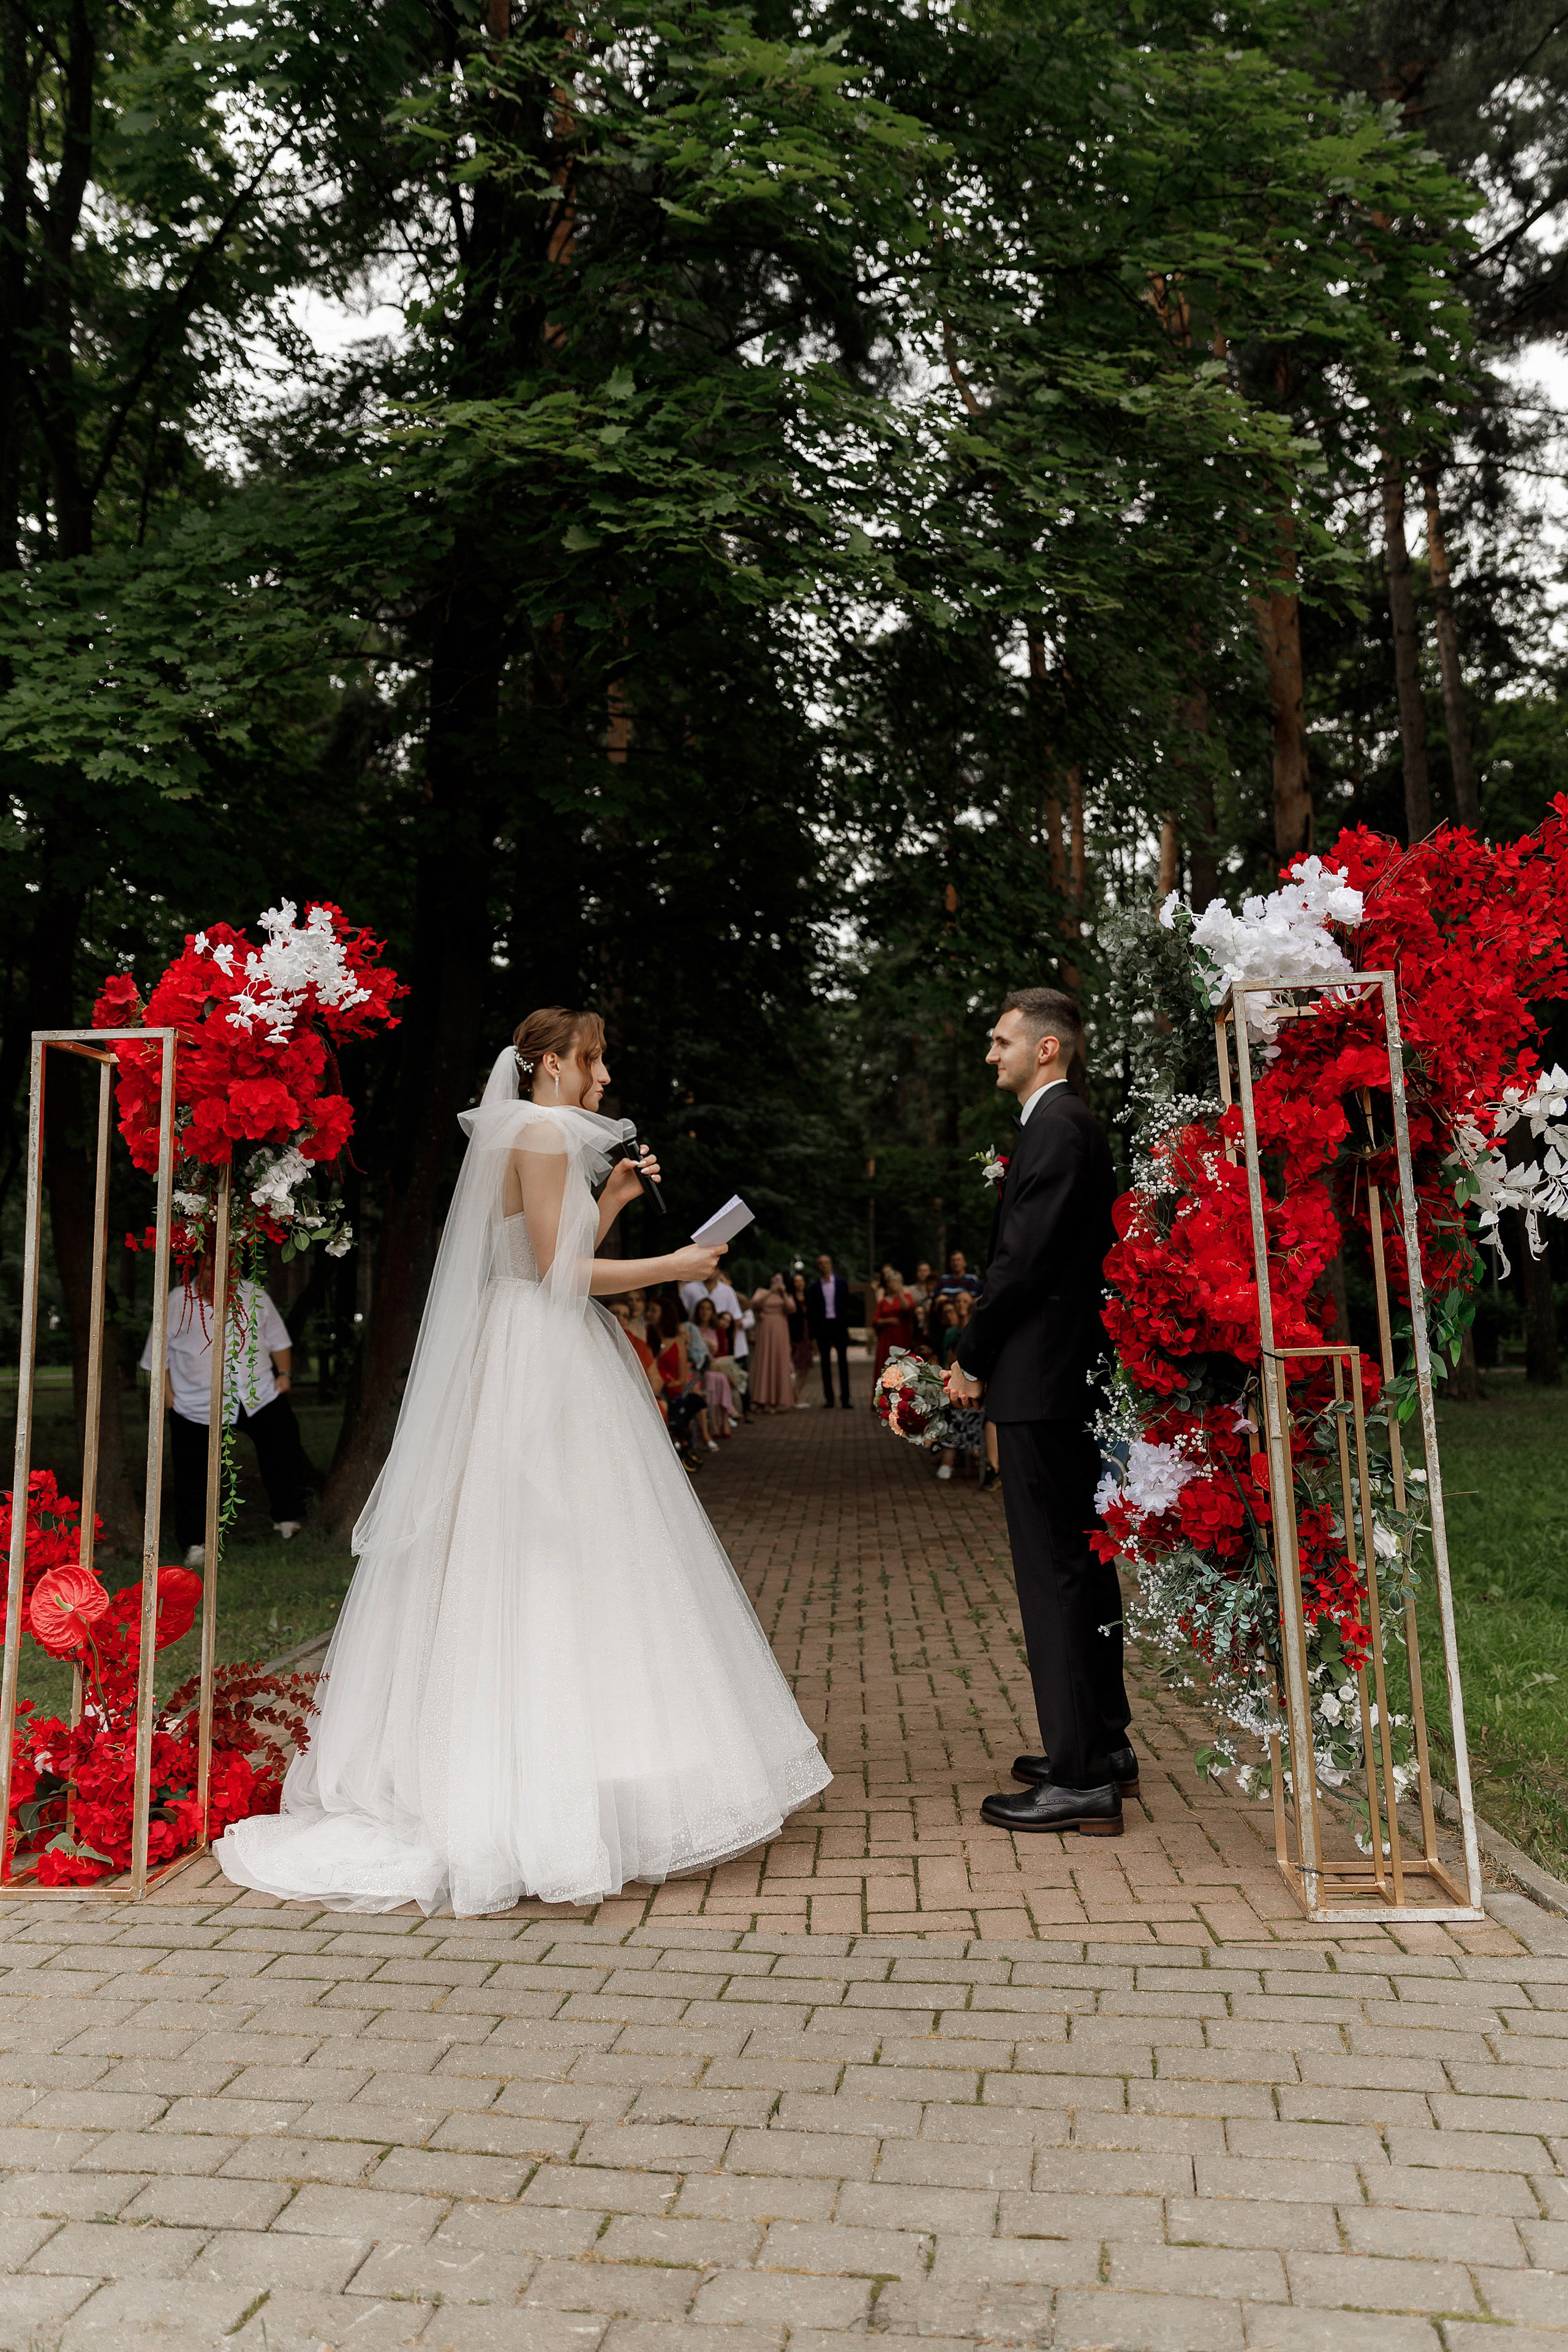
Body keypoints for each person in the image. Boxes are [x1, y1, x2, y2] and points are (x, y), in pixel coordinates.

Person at [214, 1005, 831, 1916]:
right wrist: (678, 1262)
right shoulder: (541, 1130)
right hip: (539, 1358)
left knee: (544, 1556)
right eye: (594, 1058)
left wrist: (614, 1199)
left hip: (529, 1354)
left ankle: (562, 1772)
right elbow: (558, 1274)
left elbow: (546, 1248)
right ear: (548, 1065)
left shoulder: (534, 1133)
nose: (605, 1075)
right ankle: (555, 1788)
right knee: (562, 1552)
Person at [945, 986, 1134, 1839]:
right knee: (1082, 1565)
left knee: (1055, 1574)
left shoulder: (1056, 1127)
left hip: (1042, 1381)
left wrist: (970, 1355)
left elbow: (1020, 1263)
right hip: (1064, 1380)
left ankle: (1080, 1777)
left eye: (1001, 1040)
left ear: (1046, 1050)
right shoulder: (1067, 1125)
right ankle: (1101, 1741)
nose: (992, 1053)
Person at [139, 1263, 311, 1566]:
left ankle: (288, 1517)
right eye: (211, 1265)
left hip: (258, 1396)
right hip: (196, 1404)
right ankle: (196, 1542)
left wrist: (284, 1373)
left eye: (228, 1265)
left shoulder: (254, 1294)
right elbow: (157, 1356)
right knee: (194, 1473)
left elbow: (279, 1340)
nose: (219, 1272)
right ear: (199, 1266)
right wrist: (170, 1401)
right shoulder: (176, 1302)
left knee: (283, 1449)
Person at [934, 1290, 984, 1482]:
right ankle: (950, 1458)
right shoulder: (952, 1334)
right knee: (954, 1405)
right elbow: (949, 1360)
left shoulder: (980, 1335)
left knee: (967, 1408)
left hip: (980, 1391)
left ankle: (975, 1454)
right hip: (959, 1383)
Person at [807, 1252, 852, 1408]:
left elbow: (846, 1305)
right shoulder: (814, 1287)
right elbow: (811, 1312)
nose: (824, 1266)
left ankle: (845, 1399)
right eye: (821, 1263)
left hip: (838, 1325)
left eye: (827, 1263)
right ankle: (829, 1399)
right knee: (825, 1364)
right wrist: (812, 1336)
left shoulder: (841, 1283)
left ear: (831, 1265)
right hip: (823, 1327)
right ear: (817, 1267)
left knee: (843, 1363)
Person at [748, 1272, 795, 1411]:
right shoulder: (761, 1292)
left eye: (780, 1278)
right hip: (765, 1330)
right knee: (764, 1361)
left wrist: (783, 1293)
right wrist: (771, 1292)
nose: (778, 1281)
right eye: (776, 1278)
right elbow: (755, 1304)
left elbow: (791, 1308)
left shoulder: (784, 1294)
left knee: (779, 1360)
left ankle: (778, 1399)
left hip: (780, 1329)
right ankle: (761, 1399)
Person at [872, 1264, 915, 1382]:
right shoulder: (884, 1301)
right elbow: (875, 1320)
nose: (893, 1284)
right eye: (891, 1281)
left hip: (902, 1338)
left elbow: (908, 1308)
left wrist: (899, 1292)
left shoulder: (906, 1296)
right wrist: (888, 1321)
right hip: (886, 1339)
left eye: (896, 1281)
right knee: (884, 1368)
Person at [788, 1272, 814, 1405]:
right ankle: (795, 1398)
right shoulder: (790, 1298)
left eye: (802, 1280)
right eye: (797, 1281)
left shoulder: (809, 1298)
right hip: (796, 1336)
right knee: (795, 1368)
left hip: (807, 1335)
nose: (800, 1283)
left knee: (805, 1367)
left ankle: (795, 1396)